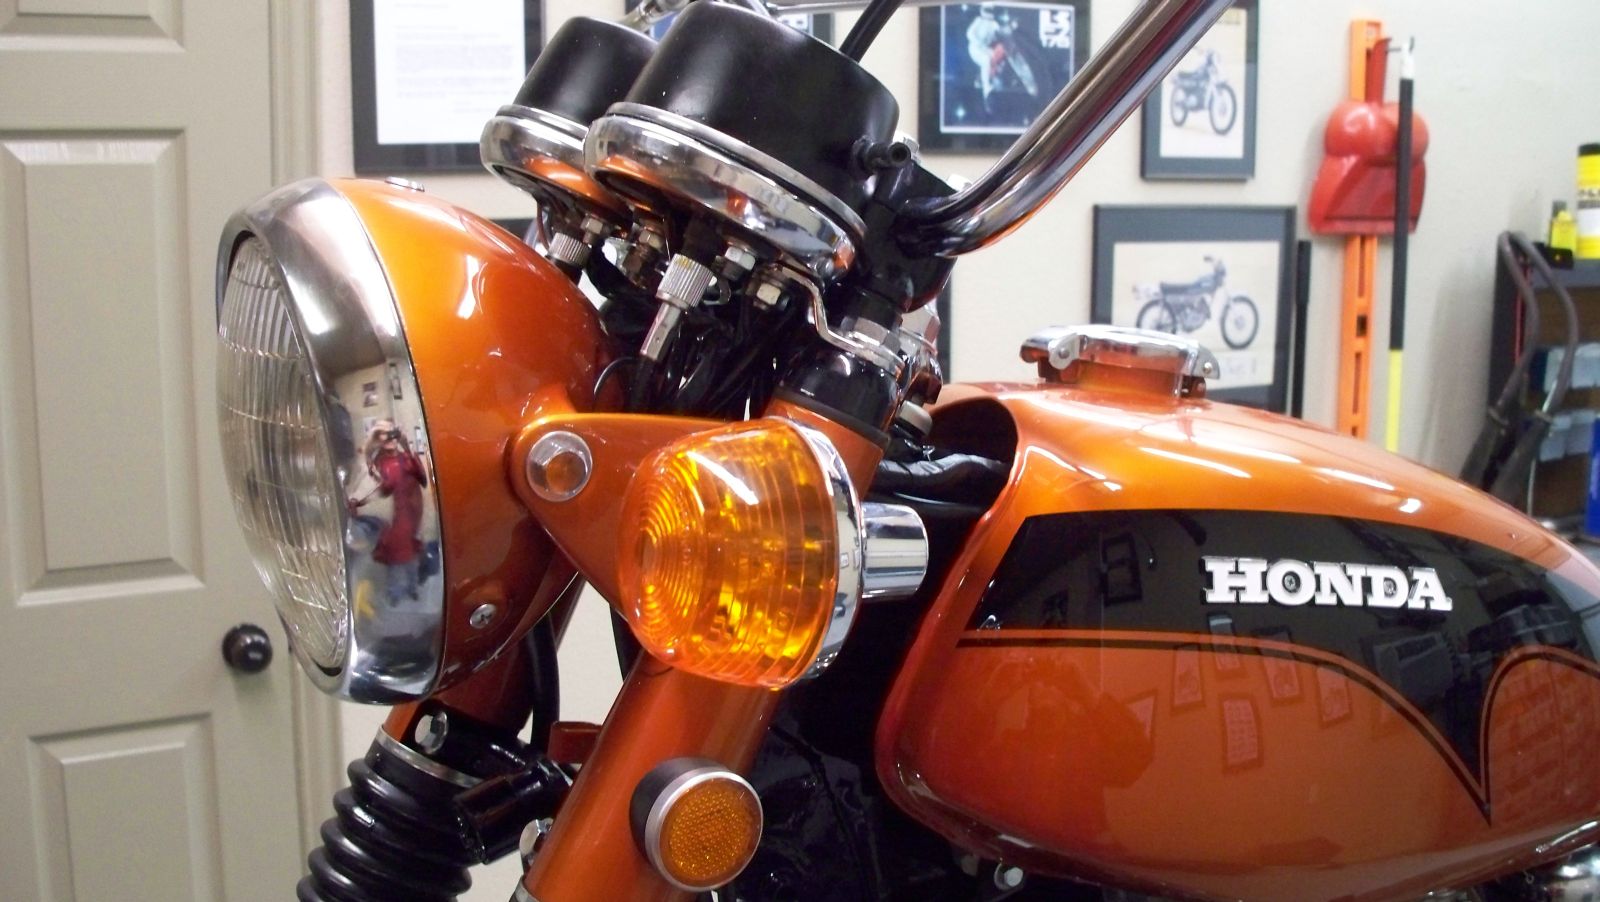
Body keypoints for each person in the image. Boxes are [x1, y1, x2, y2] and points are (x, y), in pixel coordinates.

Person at [349, 420, 429, 603]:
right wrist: (370, 444)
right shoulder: (379, 461)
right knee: (396, 557)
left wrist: (406, 445)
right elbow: (380, 488)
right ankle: (394, 592)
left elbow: (423, 478)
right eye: (384, 434)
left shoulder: (405, 458)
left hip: (412, 513)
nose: (390, 437)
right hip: (394, 516)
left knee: (411, 557)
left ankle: (412, 587)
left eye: (392, 432)